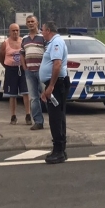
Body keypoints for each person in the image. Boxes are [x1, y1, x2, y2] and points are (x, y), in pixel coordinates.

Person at [39, 22, 69, 164]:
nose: (41, 33)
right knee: (58, 116)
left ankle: (58, 151)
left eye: (42, 30)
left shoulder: (56, 42)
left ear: (48, 30)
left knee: (55, 117)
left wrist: (50, 86)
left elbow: (57, 64)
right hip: (55, 83)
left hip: (57, 84)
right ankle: (61, 149)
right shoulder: (53, 42)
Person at [0, 23, 31, 125]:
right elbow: (1, 56)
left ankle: (28, 115)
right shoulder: (5, 43)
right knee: (12, 94)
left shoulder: (23, 41)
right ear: (9, 32)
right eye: (13, 30)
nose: (15, 32)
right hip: (11, 70)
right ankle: (13, 116)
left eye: (17, 30)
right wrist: (7, 66)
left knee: (26, 93)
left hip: (22, 69)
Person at [21, 16, 46, 130]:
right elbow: (22, 54)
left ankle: (56, 119)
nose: (31, 23)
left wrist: (44, 68)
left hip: (42, 72)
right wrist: (24, 67)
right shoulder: (25, 39)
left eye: (33, 22)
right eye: (28, 22)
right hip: (29, 72)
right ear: (26, 24)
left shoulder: (43, 38)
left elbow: (48, 53)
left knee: (47, 96)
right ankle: (38, 122)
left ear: (37, 23)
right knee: (34, 98)